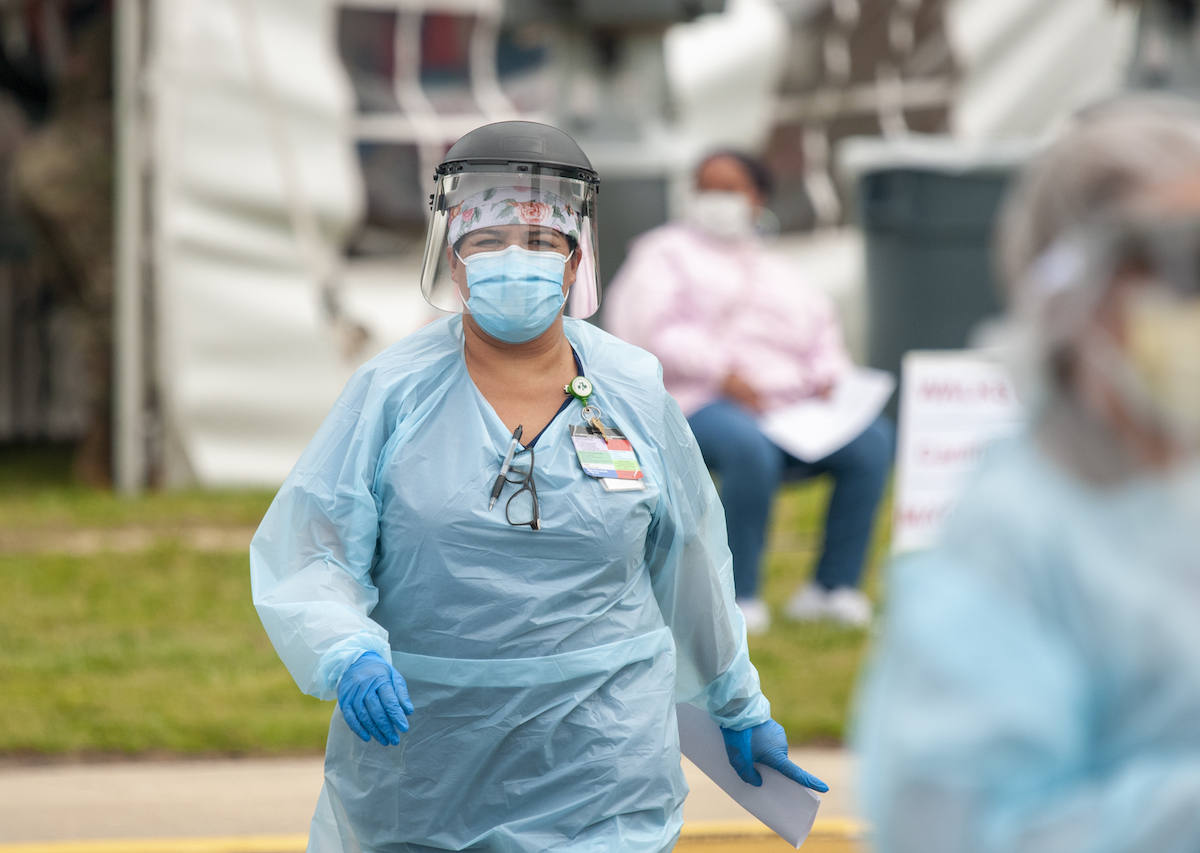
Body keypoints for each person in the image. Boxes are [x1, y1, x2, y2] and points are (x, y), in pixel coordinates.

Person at [250, 121, 827, 853]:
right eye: (486, 243)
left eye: (538, 242)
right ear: (453, 262)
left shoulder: (632, 388)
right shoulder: (392, 391)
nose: (511, 262)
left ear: (574, 258)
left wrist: (737, 702)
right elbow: (313, 549)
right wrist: (348, 651)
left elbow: (688, 564)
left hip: (602, 767)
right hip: (428, 770)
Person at [856, 96, 1200, 853]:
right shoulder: (1012, 539)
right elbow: (956, 827)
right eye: (1177, 266)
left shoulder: (1181, 496)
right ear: (1073, 287)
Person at [604, 151, 893, 633]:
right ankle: (739, 594)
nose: (714, 200)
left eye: (729, 189)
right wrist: (723, 374)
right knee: (746, 446)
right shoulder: (661, 252)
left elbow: (821, 331)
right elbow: (654, 329)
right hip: (696, 400)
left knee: (873, 442)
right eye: (705, 187)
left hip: (787, 409)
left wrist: (828, 374)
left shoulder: (776, 266)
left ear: (757, 198)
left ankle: (832, 587)